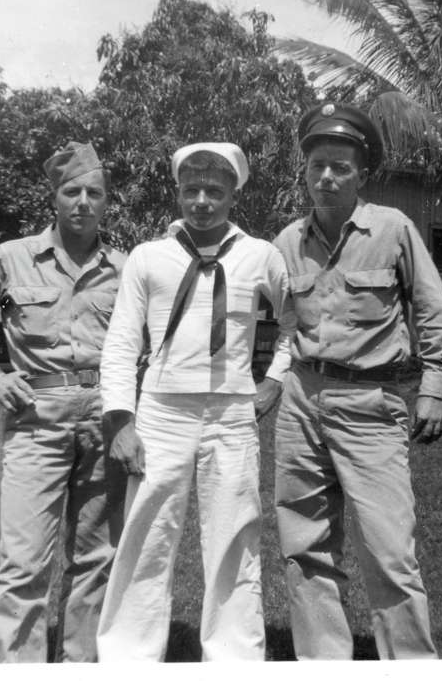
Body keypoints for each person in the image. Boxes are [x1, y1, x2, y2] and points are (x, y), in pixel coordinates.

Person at [270, 102, 442, 660]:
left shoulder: (393, 230)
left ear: (362, 175)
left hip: (371, 403)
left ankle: (410, 665)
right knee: (303, 546)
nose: (326, 177)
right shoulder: (286, 242)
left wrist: (434, 386)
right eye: (317, 167)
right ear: (304, 172)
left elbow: (435, 313)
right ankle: (322, 664)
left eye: (340, 167)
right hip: (301, 401)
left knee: (388, 550)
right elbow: (285, 325)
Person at [95, 142, 294, 661]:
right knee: (145, 538)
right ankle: (127, 659)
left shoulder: (261, 255)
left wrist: (275, 377)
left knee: (235, 538)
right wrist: (121, 420)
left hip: (231, 415)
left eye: (215, 191)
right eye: (192, 190)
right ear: (178, 192)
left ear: (233, 195)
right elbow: (120, 341)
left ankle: (233, 660)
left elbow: (298, 323)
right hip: (161, 412)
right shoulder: (148, 257)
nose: (202, 201)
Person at [0, 141, 127, 663]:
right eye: (72, 191)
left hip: (103, 419)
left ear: (107, 202)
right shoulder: (11, 258)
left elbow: (148, 341)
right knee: (24, 559)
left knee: (97, 554)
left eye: (94, 193)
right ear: (55, 197)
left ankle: (80, 664)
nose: (83, 202)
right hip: (36, 420)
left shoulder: (125, 268)